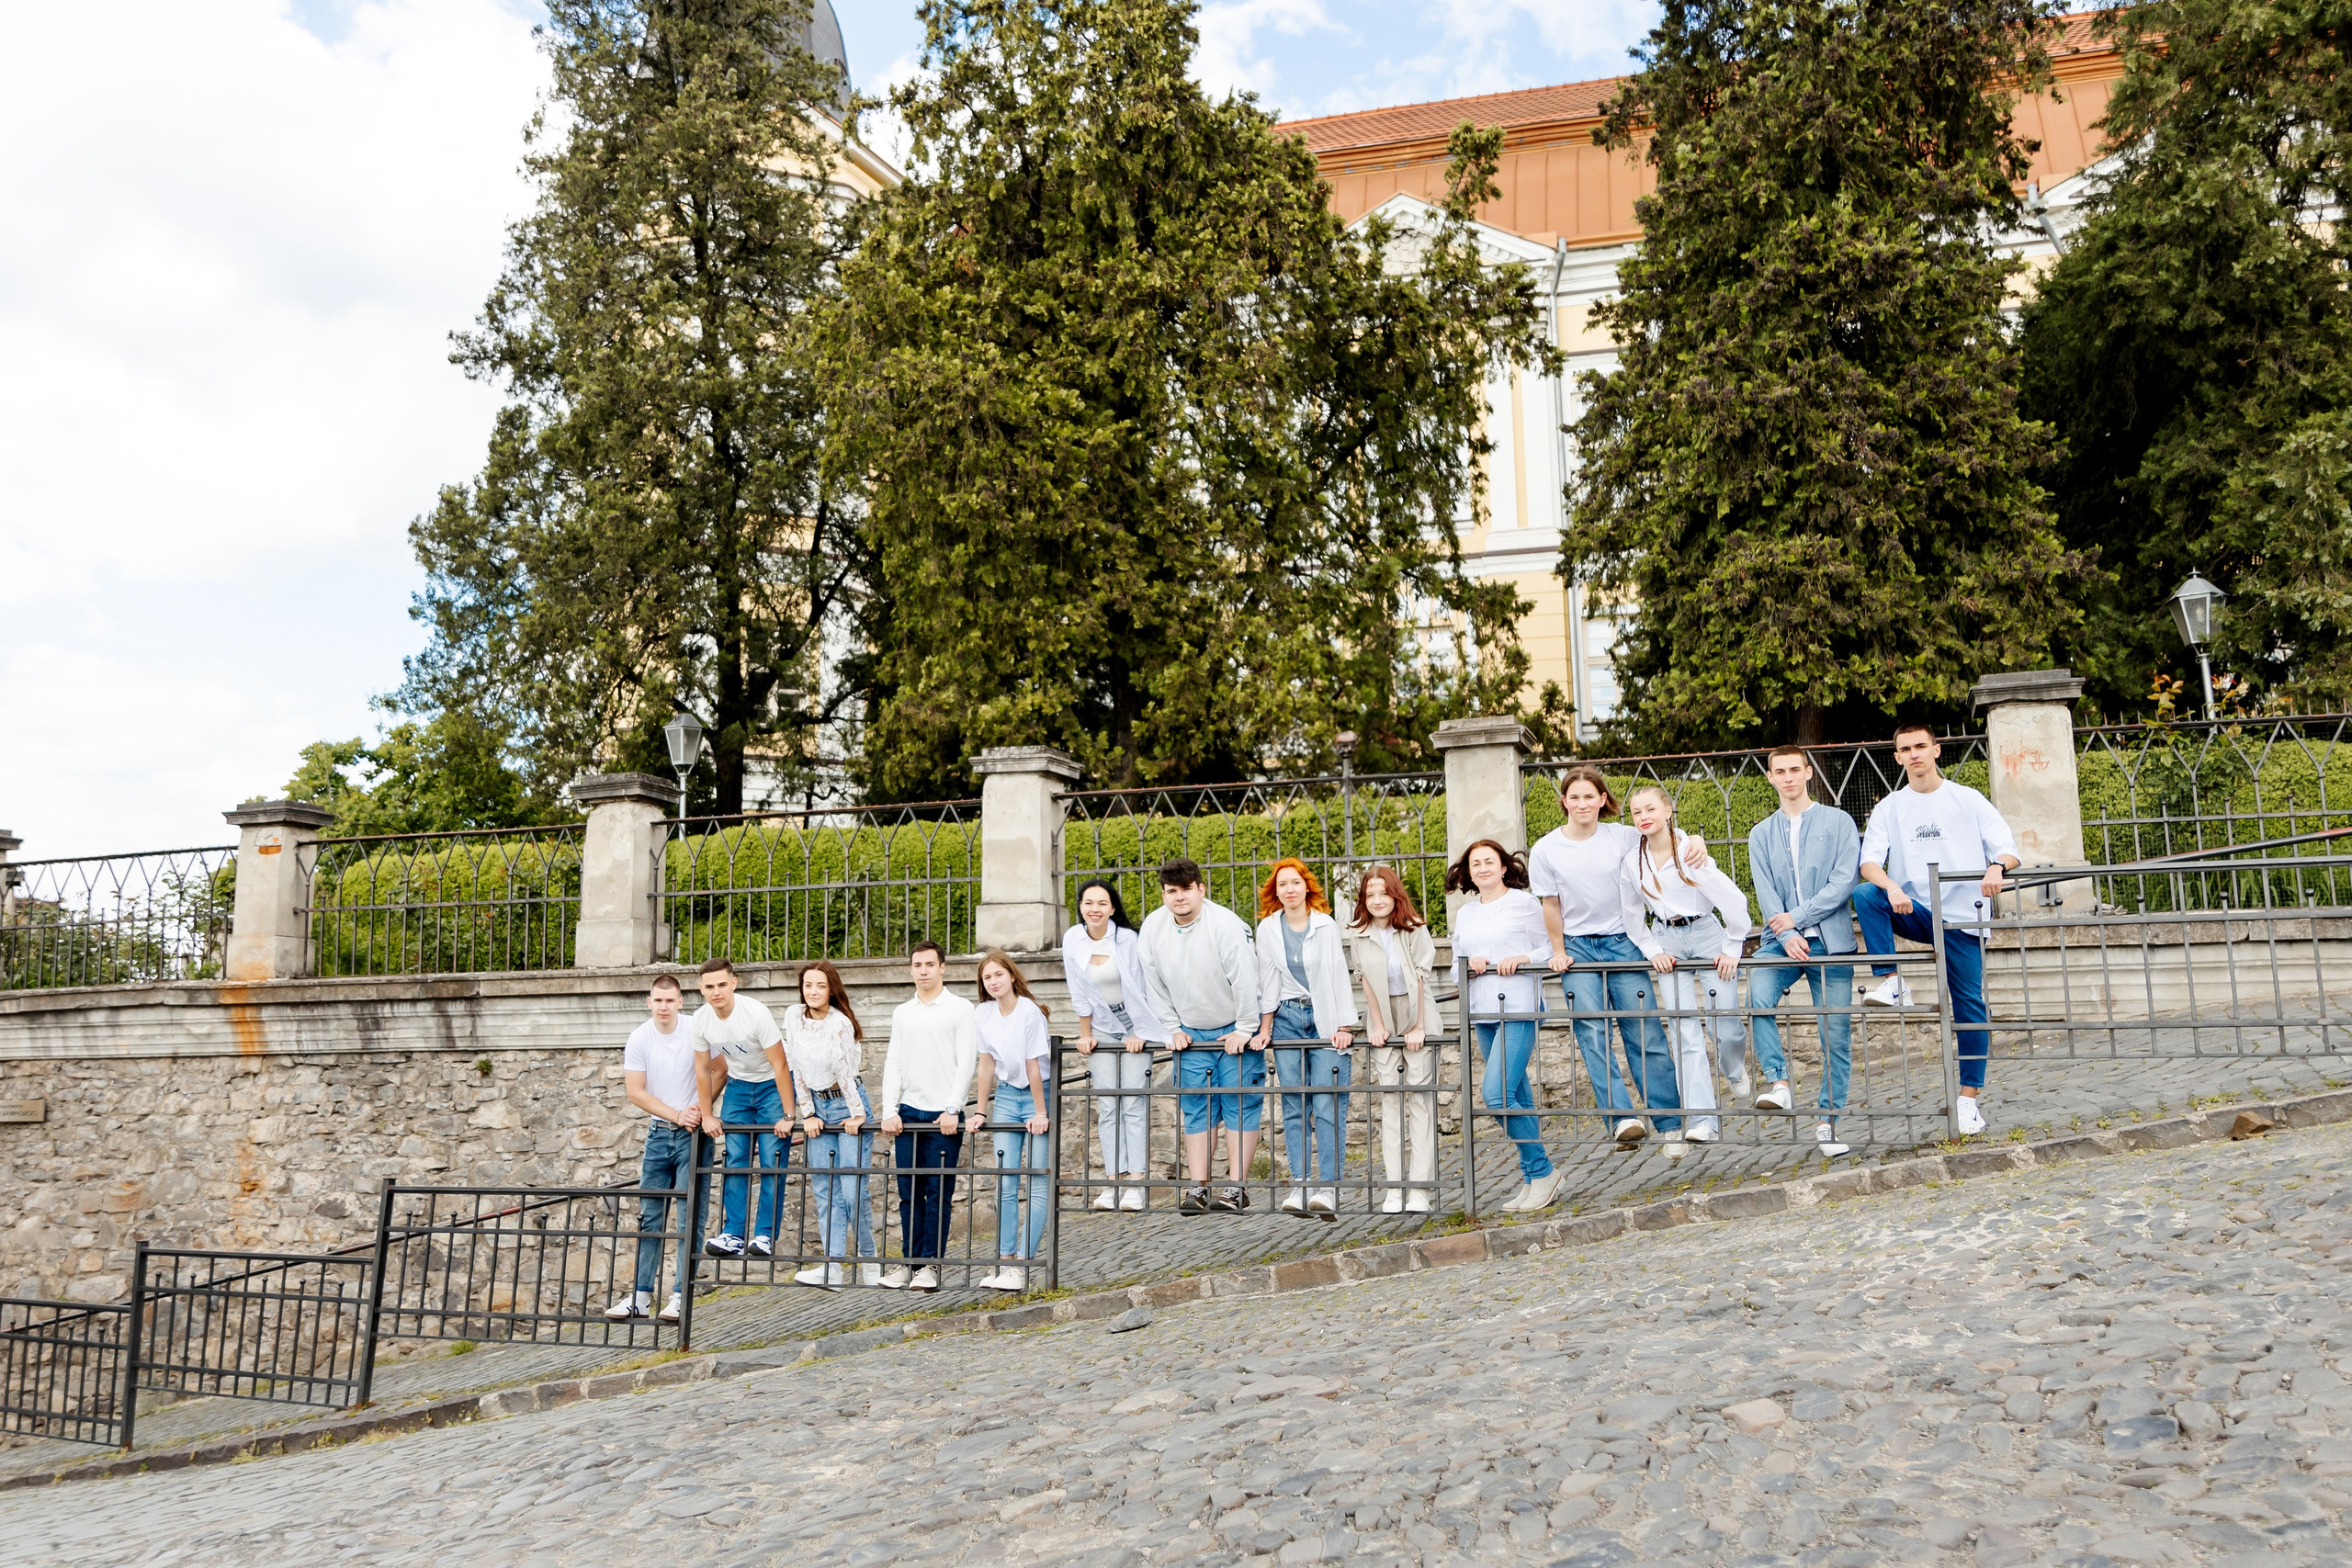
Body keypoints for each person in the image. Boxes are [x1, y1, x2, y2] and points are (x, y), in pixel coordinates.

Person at [1855, 722, 2019, 1136]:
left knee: (1969, 1006)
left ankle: (1968, 1101)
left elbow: (2008, 849)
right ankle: (1892, 982)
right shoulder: (1890, 806)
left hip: (1963, 918)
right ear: (1896, 757)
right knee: (1865, 895)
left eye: (1920, 746)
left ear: (1936, 750)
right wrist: (1891, 886)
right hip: (1916, 909)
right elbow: (1869, 862)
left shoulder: (1967, 799)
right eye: (1905, 749)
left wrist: (1996, 867)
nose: (1914, 754)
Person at [1529, 765, 1705, 1147]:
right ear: (1564, 802)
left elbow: (1666, 837)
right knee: (1592, 1033)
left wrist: (1697, 840)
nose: (1582, 804)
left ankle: (1670, 1123)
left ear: (1603, 800)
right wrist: (1557, 952)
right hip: (1576, 947)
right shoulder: (1546, 849)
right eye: (1574, 797)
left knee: (1644, 1031)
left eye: (1590, 796)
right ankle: (1623, 1119)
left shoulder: (1624, 836)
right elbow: (1550, 905)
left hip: (1622, 943)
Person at [1621, 785, 1753, 1159]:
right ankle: (1702, 1122)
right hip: (1667, 940)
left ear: (1667, 810)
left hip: (1708, 935)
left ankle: (1732, 1066)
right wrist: (1652, 950)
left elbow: (1733, 901)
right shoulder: (1633, 861)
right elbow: (1631, 913)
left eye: (1650, 808)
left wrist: (1732, 945)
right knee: (1683, 1031)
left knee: (1724, 1020)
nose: (1643, 816)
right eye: (1636, 812)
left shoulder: (1691, 850)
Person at [1744, 746, 1861, 1158]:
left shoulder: (1839, 822)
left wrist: (1796, 918)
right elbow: (1764, 889)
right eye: (1780, 771)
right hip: (1780, 942)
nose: (1788, 777)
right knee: (1757, 992)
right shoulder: (1761, 833)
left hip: (1831, 943)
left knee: (1836, 1037)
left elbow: (1843, 882)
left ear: (1808, 773)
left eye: (1795, 769)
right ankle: (1779, 1082)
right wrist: (1787, 928)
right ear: (1771, 777)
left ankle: (1828, 1124)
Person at [1137, 858, 1261, 1217]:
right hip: (1189, 1033)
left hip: (1232, 1028)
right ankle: (1198, 1188)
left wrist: (1244, 1027)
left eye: (1186, 889)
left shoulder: (1224, 924)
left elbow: (1245, 979)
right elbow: (1153, 983)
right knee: (1196, 1109)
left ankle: (1236, 1188)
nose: (1179, 898)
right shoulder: (1153, 929)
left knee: (1240, 1105)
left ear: (1201, 889)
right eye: (1172, 891)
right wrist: (1171, 1027)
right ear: (1163, 894)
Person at [1447, 838, 1561, 1211]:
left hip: (1517, 1007)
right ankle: (1533, 1180)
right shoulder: (1466, 914)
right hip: (1482, 1012)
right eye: (1474, 863)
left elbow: (1552, 948)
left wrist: (1522, 957)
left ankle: (1544, 1173)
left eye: (1488, 861)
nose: (1482, 868)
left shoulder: (1525, 903)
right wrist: (1470, 964)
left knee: (1495, 1096)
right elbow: (1454, 967)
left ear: (1503, 866)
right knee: (1518, 1097)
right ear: (1468, 872)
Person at [1252, 859, 1358, 1221]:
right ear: (1275, 891)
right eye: (1282, 884)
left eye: (1295, 882)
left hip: (1323, 1017)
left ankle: (1327, 1189)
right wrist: (1264, 1028)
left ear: (1306, 886)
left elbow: (1337, 974)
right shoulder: (1267, 928)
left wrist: (1345, 1024)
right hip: (1285, 1019)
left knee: (1328, 1104)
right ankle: (1299, 1184)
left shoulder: (1324, 924)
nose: (1289, 889)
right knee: (1295, 1105)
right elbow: (1267, 982)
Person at [1061, 879, 1170, 1212]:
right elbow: (1077, 989)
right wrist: (1085, 1033)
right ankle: (1114, 1181)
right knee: (1108, 1106)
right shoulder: (1072, 939)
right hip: (1101, 1029)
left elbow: (1140, 987)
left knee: (1133, 1104)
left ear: (1112, 908)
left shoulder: (1126, 939)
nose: (1094, 909)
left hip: (1135, 1027)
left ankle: (1136, 1183)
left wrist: (1138, 1032)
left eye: (1102, 903)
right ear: (1080, 906)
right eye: (1088, 903)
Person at [880, 942, 978, 1292]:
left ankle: (931, 1266)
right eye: (917, 965)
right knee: (909, 1192)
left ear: (942, 968)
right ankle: (910, 1263)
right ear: (910, 969)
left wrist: (954, 1107)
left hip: (943, 1116)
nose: (923, 970)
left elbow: (967, 1060)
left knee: (938, 1192)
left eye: (929, 964)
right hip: (908, 1113)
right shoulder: (902, 1012)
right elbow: (894, 1062)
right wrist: (889, 1109)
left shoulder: (960, 1008)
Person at [607, 973, 702, 1324]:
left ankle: (679, 1296)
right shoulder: (639, 1038)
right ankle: (642, 1296)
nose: (663, 1007)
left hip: (694, 1134)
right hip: (659, 1133)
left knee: (689, 1215)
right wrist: (676, 1114)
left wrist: (701, 1110)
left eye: (670, 1000)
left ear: (681, 1001)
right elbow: (636, 1092)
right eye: (657, 1000)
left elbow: (719, 1069)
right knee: (651, 1216)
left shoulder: (695, 1029)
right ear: (649, 1002)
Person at [1347, 864, 1440, 1213]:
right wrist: (1376, 1023)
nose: (1377, 900)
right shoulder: (1359, 933)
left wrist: (1416, 1026)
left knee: (1419, 1099)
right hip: (1383, 1013)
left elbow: (1420, 977)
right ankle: (1394, 1188)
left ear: (1395, 894)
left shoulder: (1413, 929)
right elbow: (1365, 981)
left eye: (1383, 892)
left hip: (1417, 1011)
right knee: (1390, 1100)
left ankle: (1420, 1188)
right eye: (1370, 894)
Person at [690, 958, 793, 1262]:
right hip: (737, 1087)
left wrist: (789, 1115)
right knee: (736, 1160)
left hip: (770, 1087)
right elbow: (702, 1068)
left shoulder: (755, 1013)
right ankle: (733, 1234)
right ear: (701, 989)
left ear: (734, 983)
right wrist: (707, 1114)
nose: (716, 991)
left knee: (772, 1161)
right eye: (709, 987)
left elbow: (781, 1064)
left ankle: (763, 1235)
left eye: (722, 984)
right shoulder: (700, 1020)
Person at [785, 961, 875, 1290]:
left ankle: (870, 1262)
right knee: (825, 1190)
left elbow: (846, 1071)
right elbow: (796, 1067)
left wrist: (857, 1115)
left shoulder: (840, 1023)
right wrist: (807, 1113)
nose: (813, 992)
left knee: (852, 1191)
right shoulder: (794, 1017)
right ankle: (832, 1268)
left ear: (832, 989)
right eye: (808, 985)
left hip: (847, 1102)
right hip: (819, 1108)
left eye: (820, 986)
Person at [972, 952, 1054, 1291]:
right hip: (1006, 1097)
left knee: (1036, 1182)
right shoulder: (983, 1013)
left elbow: (1033, 1064)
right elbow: (986, 1064)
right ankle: (1003, 1263)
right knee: (1005, 1183)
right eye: (987, 978)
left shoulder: (1029, 1011)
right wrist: (979, 1110)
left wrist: (1040, 1112)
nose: (993, 982)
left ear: (1011, 975)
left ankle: (1022, 1264)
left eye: (998, 975)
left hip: (1039, 1093)